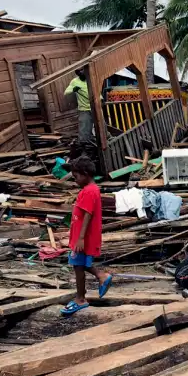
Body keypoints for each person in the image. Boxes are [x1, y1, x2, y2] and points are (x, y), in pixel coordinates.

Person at [62, 156, 113, 315]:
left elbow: (88, 215)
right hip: (80, 236)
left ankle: (81, 298)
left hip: (83, 237)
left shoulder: (90, 191)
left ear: (85, 174)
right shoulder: (89, 190)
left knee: (78, 266)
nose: (75, 180)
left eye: (76, 176)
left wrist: (81, 238)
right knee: (79, 264)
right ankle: (100, 277)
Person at [65, 68, 93, 147]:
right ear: (77, 73)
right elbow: (66, 92)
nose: (82, 72)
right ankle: (84, 148)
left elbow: (96, 91)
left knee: (102, 126)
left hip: (95, 107)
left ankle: (107, 139)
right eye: (79, 72)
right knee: (83, 128)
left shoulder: (91, 79)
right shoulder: (75, 81)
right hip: (84, 109)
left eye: (83, 70)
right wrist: (74, 89)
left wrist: (100, 99)